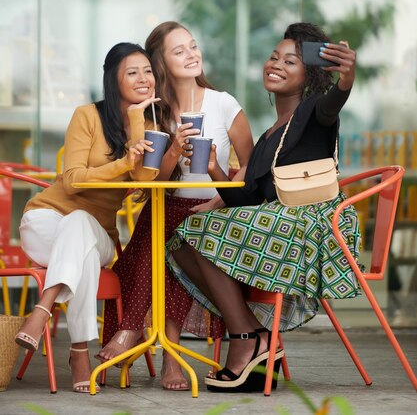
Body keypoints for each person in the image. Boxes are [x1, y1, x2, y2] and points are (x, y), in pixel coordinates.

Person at [166, 22, 362, 392]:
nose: (276, 64)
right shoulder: (271, 133)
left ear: (310, 74)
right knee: (182, 238)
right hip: (276, 221)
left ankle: (245, 339)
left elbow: (333, 103)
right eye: (274, 57)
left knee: (203, 234)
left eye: (290, 61)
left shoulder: (312, 113)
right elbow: (250, 198)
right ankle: (253, 334)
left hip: (310, 225)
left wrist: (347, 80)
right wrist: (214, 171)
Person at [98, 21, 254, 390]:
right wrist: (172, 149)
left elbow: (249, 163)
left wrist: (222, 195)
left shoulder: (223, 103)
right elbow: (153, 178)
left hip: (213, 212)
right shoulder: (156, 111)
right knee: (166, 236)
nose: (192, 55)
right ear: (162, 62)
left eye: (193, 46)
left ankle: (131, 330)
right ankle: (170, 358)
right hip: (167, 208)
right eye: (179, 50)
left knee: (169, 237)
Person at [15, 42, 164, 394]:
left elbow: (144, 180)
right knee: (77, 232)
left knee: (81, 224)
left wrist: (136, 122)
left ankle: (43, 308)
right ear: (113, 80)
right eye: (132, 72)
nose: (144, 78)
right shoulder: (87, 115)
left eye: (147, 71)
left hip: (97, 234)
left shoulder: (151, 125)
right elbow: (72, 179)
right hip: (45, 221)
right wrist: (121, 164)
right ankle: (79, 349)